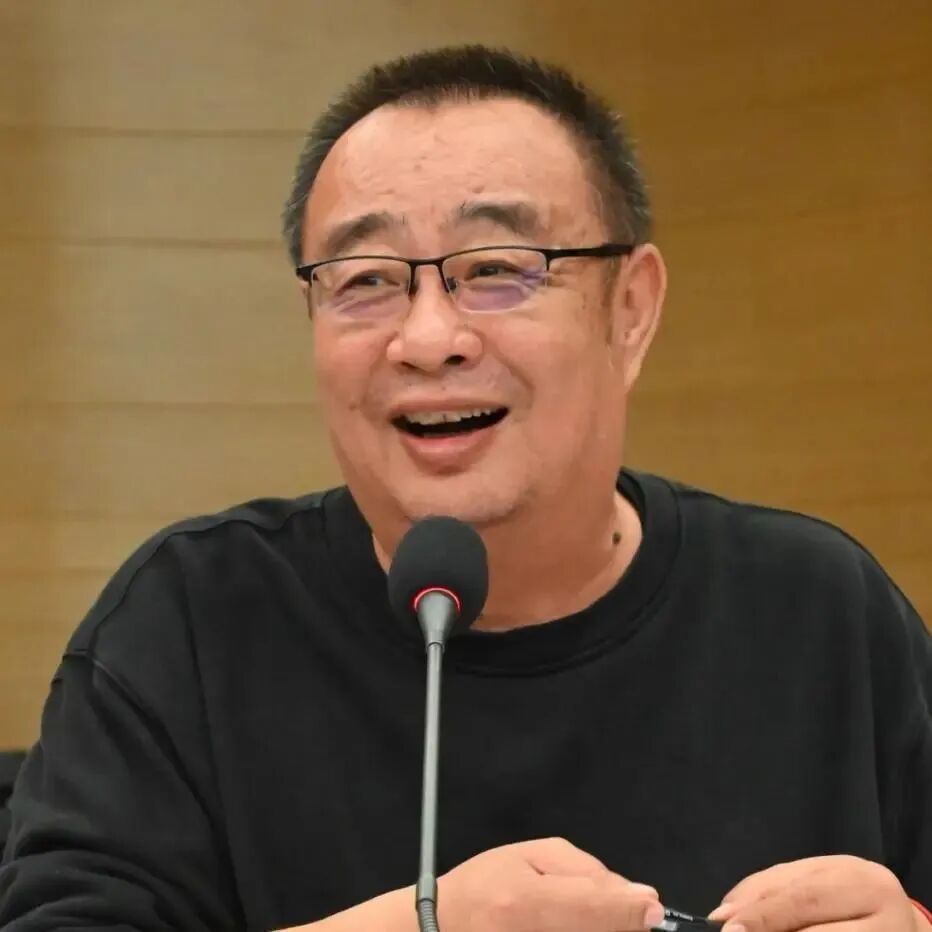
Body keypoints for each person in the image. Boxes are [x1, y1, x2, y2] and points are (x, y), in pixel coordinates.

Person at [1, 44, 930, 932]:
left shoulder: (817, 611)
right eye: (365, 280)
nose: (428, 338)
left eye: (494, 271)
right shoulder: (190, 623)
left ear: (631, 310)